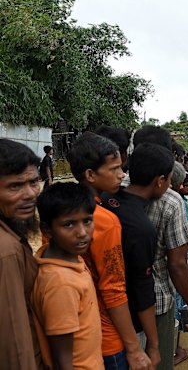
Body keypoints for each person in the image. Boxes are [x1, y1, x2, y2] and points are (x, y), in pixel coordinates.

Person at [67, 132, 152, 370]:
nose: (122, 174)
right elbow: (113, 289)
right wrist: (134, 349)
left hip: (74, 331)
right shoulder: (104, 220)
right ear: (90, 175)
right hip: (107, 338)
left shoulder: (60, 213)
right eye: (114, 169)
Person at [133, 127, 188, 370]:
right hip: (159, 301)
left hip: (121, 304)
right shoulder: (170, 201)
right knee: (159, 359)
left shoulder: (113, 192)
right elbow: (176, 264)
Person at [102, 143, 176, 369]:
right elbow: (142, 287)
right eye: (170, 179)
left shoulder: (106, 199)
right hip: (128, 325)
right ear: (160, 181)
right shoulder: (140, 227)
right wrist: (153, 346)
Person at [33, 182, 103, 369]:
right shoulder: (60, 283)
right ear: (47, 230)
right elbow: (63, 361)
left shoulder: (69, 260)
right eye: (69, 224)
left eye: (87, 221)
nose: (82, 233)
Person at [0, 139, 43, 369]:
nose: (30, 194)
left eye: (34, 182)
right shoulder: (6, 250)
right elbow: (15, 343)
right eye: (15, 186)